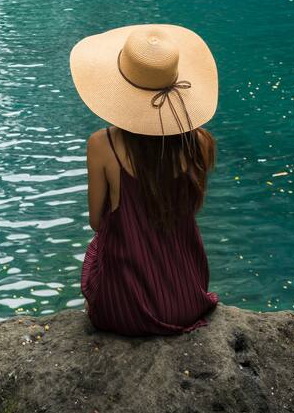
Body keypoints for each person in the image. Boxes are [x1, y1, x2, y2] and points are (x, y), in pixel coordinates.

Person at [69, 22, 219, 336]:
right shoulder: (201, 143)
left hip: (124, 307)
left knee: (98, 248)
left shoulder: (102, 145)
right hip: (187, 297)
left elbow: (98, 222)